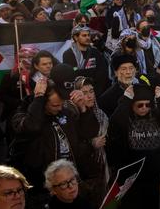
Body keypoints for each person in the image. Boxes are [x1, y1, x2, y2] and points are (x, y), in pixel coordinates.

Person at [9, 64, 99, 200]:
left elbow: (89, 132)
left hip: (70, 180)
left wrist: (84, 110)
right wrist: (38, 97)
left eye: (62, 104)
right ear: (42, 102)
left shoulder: (66, 112)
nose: (60, 108)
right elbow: (31, 127)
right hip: (43, 188)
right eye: (55, 105)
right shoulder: (23, 114)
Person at [106, 82, 160, 208]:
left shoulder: (155, 116)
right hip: (132, 177)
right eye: (140, 105)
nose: (144, 108)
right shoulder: (126, 119)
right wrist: (126, 99)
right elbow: (115, 123)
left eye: (148, 104)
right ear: (132, 105)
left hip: (153, 175)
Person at [72, 77, 108, 208]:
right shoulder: (72, 117)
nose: (89, 96)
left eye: (91, 91)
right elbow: (74, 145)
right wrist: (91, 143)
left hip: (100, 170)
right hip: (82, 173)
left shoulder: (100, 114)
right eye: (83, 92)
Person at [62, 25, 108, 96]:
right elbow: (71, 75)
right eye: (84, 35)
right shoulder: (68, 54)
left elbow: (102, 72)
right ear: (76, 37)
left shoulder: (95, 52)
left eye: (88, 35)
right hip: (78, 93)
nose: (87, 38)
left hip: (96, 92)